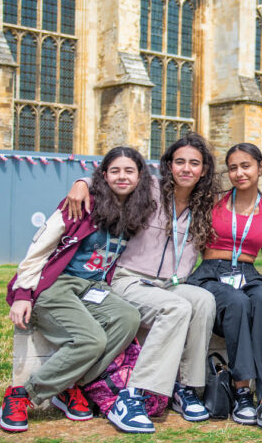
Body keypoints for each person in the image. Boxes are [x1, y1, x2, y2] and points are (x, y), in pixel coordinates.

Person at [64, 133, 218, 427]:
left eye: (194, 163)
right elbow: (115, 177)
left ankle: (185, 388)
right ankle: (132, 395)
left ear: (204, 170)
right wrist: (81, 181)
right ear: (169, 165)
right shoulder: (149, 190)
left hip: (171, 283)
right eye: (180, 162)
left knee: (203, 300)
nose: (186, 169)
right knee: (176, 309)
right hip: (130, 278)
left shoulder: (205, 204)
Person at [0, 147, 150, 433]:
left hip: (92, 287)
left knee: (128, 317)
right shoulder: (81, 204)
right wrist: (22, 294)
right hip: (55, 284)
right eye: (114, 170)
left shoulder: (136, 209)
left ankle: (68, 386)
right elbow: (39, 248)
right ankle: (22, 394)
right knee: (90, 340)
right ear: (103, 175)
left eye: (129, 171)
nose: (122, 176)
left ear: (140, 176)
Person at [187, 143, 262, 434]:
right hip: (212, 272)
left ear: (261, 168)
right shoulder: (213, 202)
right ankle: (242, 391)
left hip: (247, 271)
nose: (238, 173)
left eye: (245, 166)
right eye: (232, 167)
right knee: (237, 302)